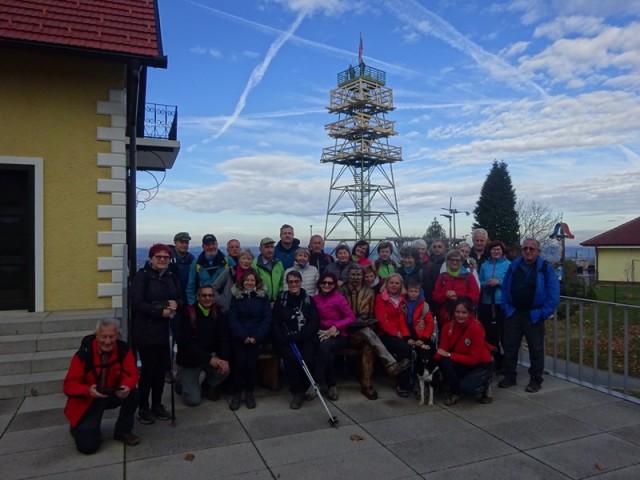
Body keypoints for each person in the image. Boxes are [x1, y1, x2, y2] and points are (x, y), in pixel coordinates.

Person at [64, 318, 139, 454]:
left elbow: (132, 373)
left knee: (134, 393)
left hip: (111, 392)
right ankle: (78, 427)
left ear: (117, 335)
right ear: (96, 335)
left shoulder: (123, 349)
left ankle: (123, 431)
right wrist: (87, 390)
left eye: (112, 336)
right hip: (88, 398)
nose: (108, 341)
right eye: (104, 337)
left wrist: (126, 386)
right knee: (88, 448)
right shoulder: (84, 354)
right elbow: (69, 385)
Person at [499, 238, 560, 393]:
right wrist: (506, 307)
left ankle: (535, 380)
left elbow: (553, 294)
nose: (528, 251)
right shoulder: (514, 266)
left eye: (531, 249)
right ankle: (509, 377)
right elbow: (505, 287)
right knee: (510, 347)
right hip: (514, 313)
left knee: (536, 349)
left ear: (538, 252)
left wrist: (543, 314)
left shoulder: (545, 269)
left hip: (534, 315)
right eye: (525, 248)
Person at [341, 264, 410, 400]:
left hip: (364, 333)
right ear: (348, 275)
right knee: (368, 333)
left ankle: (367, 385)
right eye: (353, 274)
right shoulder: (340, 291)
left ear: (363, 277)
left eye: (358, 275)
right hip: (345, 332)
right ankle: (391, 365)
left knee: (368, 346)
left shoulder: (370, 292)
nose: (356, 277)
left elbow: (372, 317)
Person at [131, 244, 182, 424]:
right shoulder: (142, 277)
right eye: (158, 257)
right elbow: (136, 302)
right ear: (151, 258)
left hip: (166, 331)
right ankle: (143, 407)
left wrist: (176, 303)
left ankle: (157, 404)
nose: (162, 260)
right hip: (147, 331)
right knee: (149, 370)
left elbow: (180, 297)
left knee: (162, 370)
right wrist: (159, 312)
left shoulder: (171, 277)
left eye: (165, 257)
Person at [175, 285, 231, 407]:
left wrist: (224, 359)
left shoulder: (217, 312)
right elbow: (186, 343)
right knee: (193, 401)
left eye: (210, 295)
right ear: (198, 297)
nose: (207, 298)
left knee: (225, 370)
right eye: (204, 295)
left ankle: (208, 385)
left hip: (208, 357)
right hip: (191, 360)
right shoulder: (188, 313)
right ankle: (180, 380)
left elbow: (224, 337)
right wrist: (209, 359)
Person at [272, 270, 319, 409]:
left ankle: (307, 385)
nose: (293, 284)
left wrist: (301, 336)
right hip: (286, 339)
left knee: (309, 358)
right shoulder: (282, 299)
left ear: (300, 282)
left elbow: (314, 321)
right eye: (290, 282)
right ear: (287, 283)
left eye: (296, 281)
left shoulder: (308, 300)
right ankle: (297, 392)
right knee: (291, 360)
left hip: (304, 337)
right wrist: (282, 338)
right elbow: (275, 321)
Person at [434, 297, 494, 406]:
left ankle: (485, 383)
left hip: (479, 364)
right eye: (457, 312)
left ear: (470, 313)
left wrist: (449, 354)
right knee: (444, 362)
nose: (460, 315)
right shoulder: (447, 327)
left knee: (467, 390)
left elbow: (473, 359)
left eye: (464, 312)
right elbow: (442, 351)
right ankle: (455, 392)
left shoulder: (476, 328)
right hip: (461, 360)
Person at [227, 270, 272, 410]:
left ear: (257, 282)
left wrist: (256, 337)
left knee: (251, 364)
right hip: (240, 337)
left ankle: (250, 392)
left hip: (257, 337)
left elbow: (266, 318)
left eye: (252, 280)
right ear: (242, 282)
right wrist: (243, 336)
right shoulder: (236, 297)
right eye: (247, 280)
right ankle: (237, 393)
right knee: (239, 364)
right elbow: (233, 318)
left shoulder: (263, 297)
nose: (249, 283)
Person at [312, 272, 355, 401]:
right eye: (324, 282)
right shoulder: (315, 299)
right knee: (327, 353)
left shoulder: (339, 299)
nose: (326, 285)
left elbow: (351, 317)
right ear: (319, 284)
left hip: (339, 335)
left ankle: (314, 383)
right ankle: (332, 385)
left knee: (325, 347)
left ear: (335, 285)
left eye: (330, 283)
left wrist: (337, 326)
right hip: (321, 333)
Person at [375, 274, 413, 397]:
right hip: (386, 333)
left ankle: (410, 379)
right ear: (386, 284)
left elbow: (403, 319)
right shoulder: (381, 298)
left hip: (402, 331)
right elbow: (381, 320)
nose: (394, 285)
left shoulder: (404, 298)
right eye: (391, 282)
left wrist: (405, 334)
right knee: (404, 349)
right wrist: (396, 333)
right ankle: (402, 383)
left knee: (412, 345)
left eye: (397, 283)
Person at [478, 240, 511, 370]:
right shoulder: (485, 265)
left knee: (504, 334)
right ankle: (495, 362)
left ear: (502, 251)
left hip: (501, 303)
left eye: (498, 249)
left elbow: (512, 282)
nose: (496, 251)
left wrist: (499, 282)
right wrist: (487, 283)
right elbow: (479, 281)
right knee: (490, 335)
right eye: (493, 249)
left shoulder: (508, 265)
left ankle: (508, 363)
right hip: (487, 302)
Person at [432, 249, 480, 328]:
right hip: (446, 317)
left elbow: (475, 296)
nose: (454, 262)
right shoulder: (442, 277)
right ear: (447, 261)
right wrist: (445, 295)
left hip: (464, 317)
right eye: (452, 259)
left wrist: (458, 295)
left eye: (458, 260)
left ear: (462, 262)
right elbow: (435, 296)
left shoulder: (469, 277)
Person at [186, 234, 232, 305]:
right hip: (203, 304)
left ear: (217, 244)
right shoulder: (196, 263)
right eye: (207, 244)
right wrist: (192, 305)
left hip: (223, 304)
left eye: (213, 244)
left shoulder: (227, 261)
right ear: (203, 247)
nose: (211, 247)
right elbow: (191, 286)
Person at [213, 249, 255, 314]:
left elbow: (259, 291)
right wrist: (223, 302)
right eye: (243, 258)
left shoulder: (254, 274)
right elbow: (213, 288)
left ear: (252, 261)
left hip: (246, 313)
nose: (246, 261)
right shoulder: (229, 271)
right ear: (239, 259)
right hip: (228, 311)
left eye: (249, 259)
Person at [253, 237, 285, 301]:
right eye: (267, 247)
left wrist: (278, 297)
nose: (270, 250)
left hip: (276, 302)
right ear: (260, 249)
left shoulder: (279, 264)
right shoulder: (254, 264)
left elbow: (282, 283)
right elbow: (253, 285)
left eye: (272, 247)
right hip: (260, 301)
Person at [168, 232, 195, 304]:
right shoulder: (167, 258)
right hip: (171, 298)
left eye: (186, 243)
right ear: (175, 243)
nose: (184, 245)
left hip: (187, 297)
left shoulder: (191, 258)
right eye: (181, 242)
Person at [421, 239, 447, 306]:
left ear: (444, 249)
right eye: (434, 247)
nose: (437, 249)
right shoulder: (426, 263)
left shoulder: (448, 263)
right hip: (428, 296)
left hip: (443, 296)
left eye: (439, 247)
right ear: (431, 249)